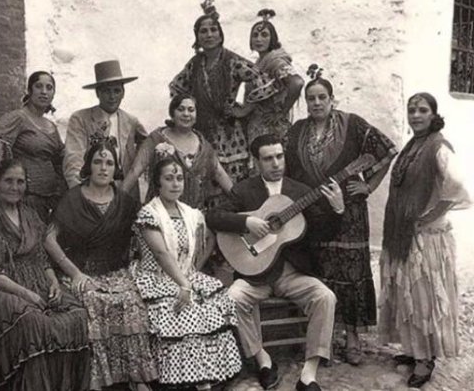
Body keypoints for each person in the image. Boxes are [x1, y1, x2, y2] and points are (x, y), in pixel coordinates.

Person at [206, 134, 343, 391]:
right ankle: (263, 360)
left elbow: (323, 232)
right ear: (256, 161)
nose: (276, 163)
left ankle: (308, 374)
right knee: (232, 298)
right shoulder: (245, 190)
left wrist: (337, 210)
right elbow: (214, 217)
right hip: (255, 274)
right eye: (268, 158)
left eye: (280, 156)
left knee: (325, 297)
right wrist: (247, 222)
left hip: (293, 274)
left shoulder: (301, 191)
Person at [284, 65, 398, 365]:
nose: (317, 103)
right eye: (311, 98)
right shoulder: (297, 131)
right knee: (320, 272)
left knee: (350, 273)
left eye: (322, 97)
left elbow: (387, 150)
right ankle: (323, 339)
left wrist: (369, 186)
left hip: (349, 213)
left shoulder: (353, 125)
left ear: (333, 99)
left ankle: (352, 339)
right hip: (314, 215)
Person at [0, 159, 90, 391]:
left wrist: (54, 282)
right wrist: (24, 293)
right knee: (32, 321)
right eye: (8, 181)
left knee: (78, 315)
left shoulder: (29, 213)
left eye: (20, 182)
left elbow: (41, 257)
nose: (15, 187)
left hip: (37, 281)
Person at [43, 140, 158, 391]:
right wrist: (74, 273)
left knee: (131, 301)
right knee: (95, 301)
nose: (103, 168)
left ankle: (136, 378)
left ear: (116, 167)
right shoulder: (72, 199)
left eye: (109, 163)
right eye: (97, 162)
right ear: (88, 165)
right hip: (82, 271)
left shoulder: (125, 202)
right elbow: (49, 239)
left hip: (117, 271)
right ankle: (99, 381)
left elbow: (142, 237)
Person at [379, 93, 471, 388]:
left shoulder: (438, 146)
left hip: (425, 237)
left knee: (422, 298)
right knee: (406, 293)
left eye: (422, 110)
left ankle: (425, 359)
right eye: (411, 110)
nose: (415, 115)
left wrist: (429, 216)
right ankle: (413, 350)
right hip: (403, 233)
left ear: (433, 114)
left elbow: (456, 187)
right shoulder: (414, 145)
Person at [131, 154, 241, 390]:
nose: (175, 184)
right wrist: (184, 284)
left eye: (179, 178)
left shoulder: (191, 213)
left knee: (215, 303)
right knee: (182, 310)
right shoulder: (149, 214)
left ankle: (206, 377)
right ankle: (179, 378)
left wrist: (193, 270)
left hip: (185, 276)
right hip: (157, 277)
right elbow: (161, 255)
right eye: (169, 179)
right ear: (157, 183)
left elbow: (210, 237)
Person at [169, 0, 277, 193]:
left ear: (220, 34)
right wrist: (189, 110)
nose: (209, 35)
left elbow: (264, 81)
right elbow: (176, 88)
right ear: (197, 36)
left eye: (213, 30)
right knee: (205, 184)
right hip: (202, 132)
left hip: (230, 136)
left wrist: (245, 109)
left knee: (232, 186)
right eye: (203, 31)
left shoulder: (232, 61)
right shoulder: (195, 64)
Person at [0, 71, 67, 222]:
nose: (44, 92)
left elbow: (59, 158)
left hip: (48, 199)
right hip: (23, 197)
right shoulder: (18, 118)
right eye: (39, 86)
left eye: (49, 88)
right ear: (29, 91)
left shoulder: (51, 126)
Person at [121, 94, 233, 210]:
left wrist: (241, 202)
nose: (186, 114)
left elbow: (219, 174)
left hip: (193, 215)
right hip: (160, 212)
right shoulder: (156, 138)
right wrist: (116, 201)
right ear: (172, 113)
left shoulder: (204, 146)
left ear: (196, 115)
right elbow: (135, 171)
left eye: (191, 110)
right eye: (180, 109)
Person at [63, 60, 147, 189]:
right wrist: (80, 194)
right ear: (97, 93)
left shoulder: (131, 121)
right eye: (107, 91)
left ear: (123, 93)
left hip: (123, 191)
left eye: (117, 91)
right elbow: (74, 159)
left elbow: (148, 144)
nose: (112, 96)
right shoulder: (80, 119)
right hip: (91, 188)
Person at [243, 9, 304, 144]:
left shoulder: (275, 61)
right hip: (258, 124)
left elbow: (297, 83)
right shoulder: (259, 63)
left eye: (264, 35)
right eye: (255, 35)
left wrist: (281, 113)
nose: (259, 39)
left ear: (273, 39)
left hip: (270, 126)